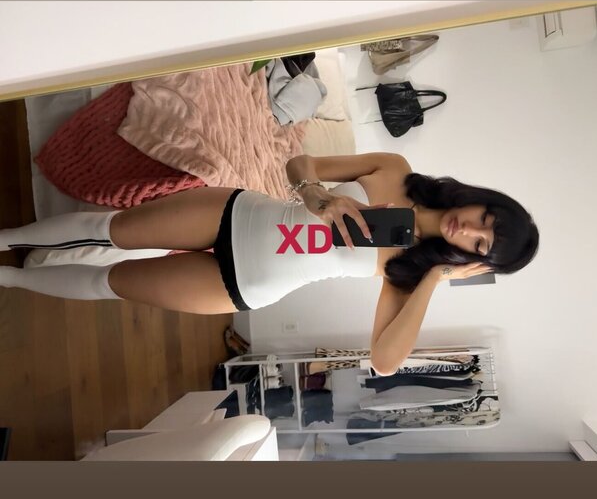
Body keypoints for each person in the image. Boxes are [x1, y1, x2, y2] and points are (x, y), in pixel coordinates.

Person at [0, 151, 539, 375]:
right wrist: (318, 195)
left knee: (110, 284)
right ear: (481, 199)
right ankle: (7, 238)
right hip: (235, 214)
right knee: (110, 229)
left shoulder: (410, 272)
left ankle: (9, 278)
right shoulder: (395, 169)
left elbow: (383, 361)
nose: (469, 230)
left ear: (473, 262)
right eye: (485, 218)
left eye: (480, 246)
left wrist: (437, 277)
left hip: (240, 284)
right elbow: (299, 162)